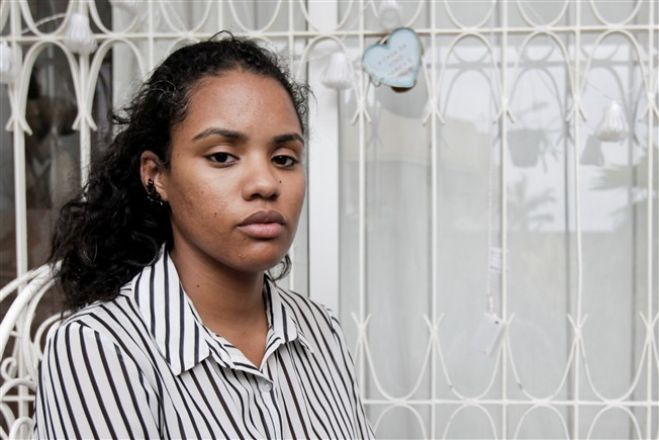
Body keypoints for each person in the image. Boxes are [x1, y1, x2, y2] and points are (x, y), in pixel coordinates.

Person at [34, 33, 374, 439]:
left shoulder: (321, 331)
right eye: (222, 157)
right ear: (156, 176)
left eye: (284, 159)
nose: (266, 183)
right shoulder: (99, 348)